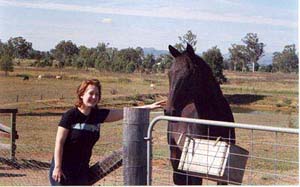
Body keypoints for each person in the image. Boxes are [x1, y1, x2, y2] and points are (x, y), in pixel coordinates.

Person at [49, 79, 164, 185]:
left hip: (81, 171)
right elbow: (59, 142)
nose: (94, 97)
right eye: (90, 93)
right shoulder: (70, 115)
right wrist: (58, 167)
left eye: (97, 94)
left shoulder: (98, 115)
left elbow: (125, 112)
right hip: (63, 169)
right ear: (81, 94)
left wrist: (149, 106)